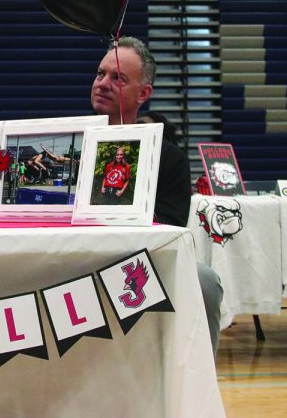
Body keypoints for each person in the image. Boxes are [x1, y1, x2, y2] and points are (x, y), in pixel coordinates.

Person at [90, 36, 224, 357]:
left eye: (118, 78)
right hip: (70, 257)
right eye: (100, 74)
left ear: (143, 94)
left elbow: (171, 231)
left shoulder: (169, 158)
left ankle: (193, 394)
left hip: (139, 262)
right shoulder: (75, 143)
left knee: (205, 282)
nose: (104, 83)